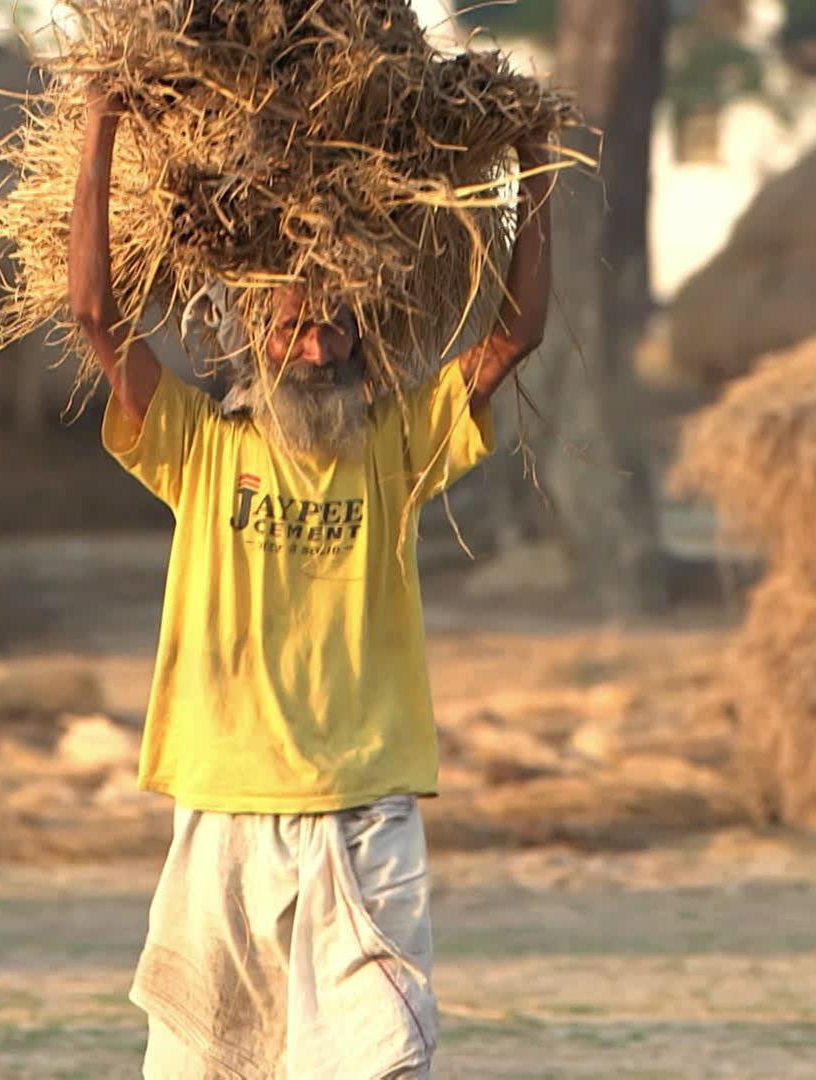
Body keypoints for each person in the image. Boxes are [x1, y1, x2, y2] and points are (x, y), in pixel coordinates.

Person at [69, 83, 553, 1079]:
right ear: (255, 336)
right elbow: (93, 314)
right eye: (294, 328)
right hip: (224, 807)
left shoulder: (397, 445)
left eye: (334, 330)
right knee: (213, 1066)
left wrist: (532, 169)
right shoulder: (198, 447)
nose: (316, 347)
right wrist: (101, 127)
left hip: (363, 810)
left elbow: (516, 336)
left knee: (379, 1061)